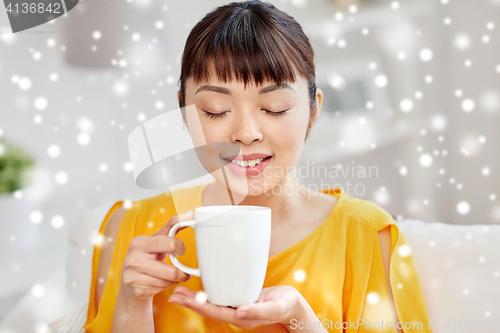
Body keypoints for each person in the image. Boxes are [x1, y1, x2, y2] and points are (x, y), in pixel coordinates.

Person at [83, 1, 432, 332]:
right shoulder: (130, 229)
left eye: (275, 107)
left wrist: (300, 319)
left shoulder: (366, 236)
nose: (246, 134)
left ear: (313, 111)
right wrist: (132, 303)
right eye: (216, 110)